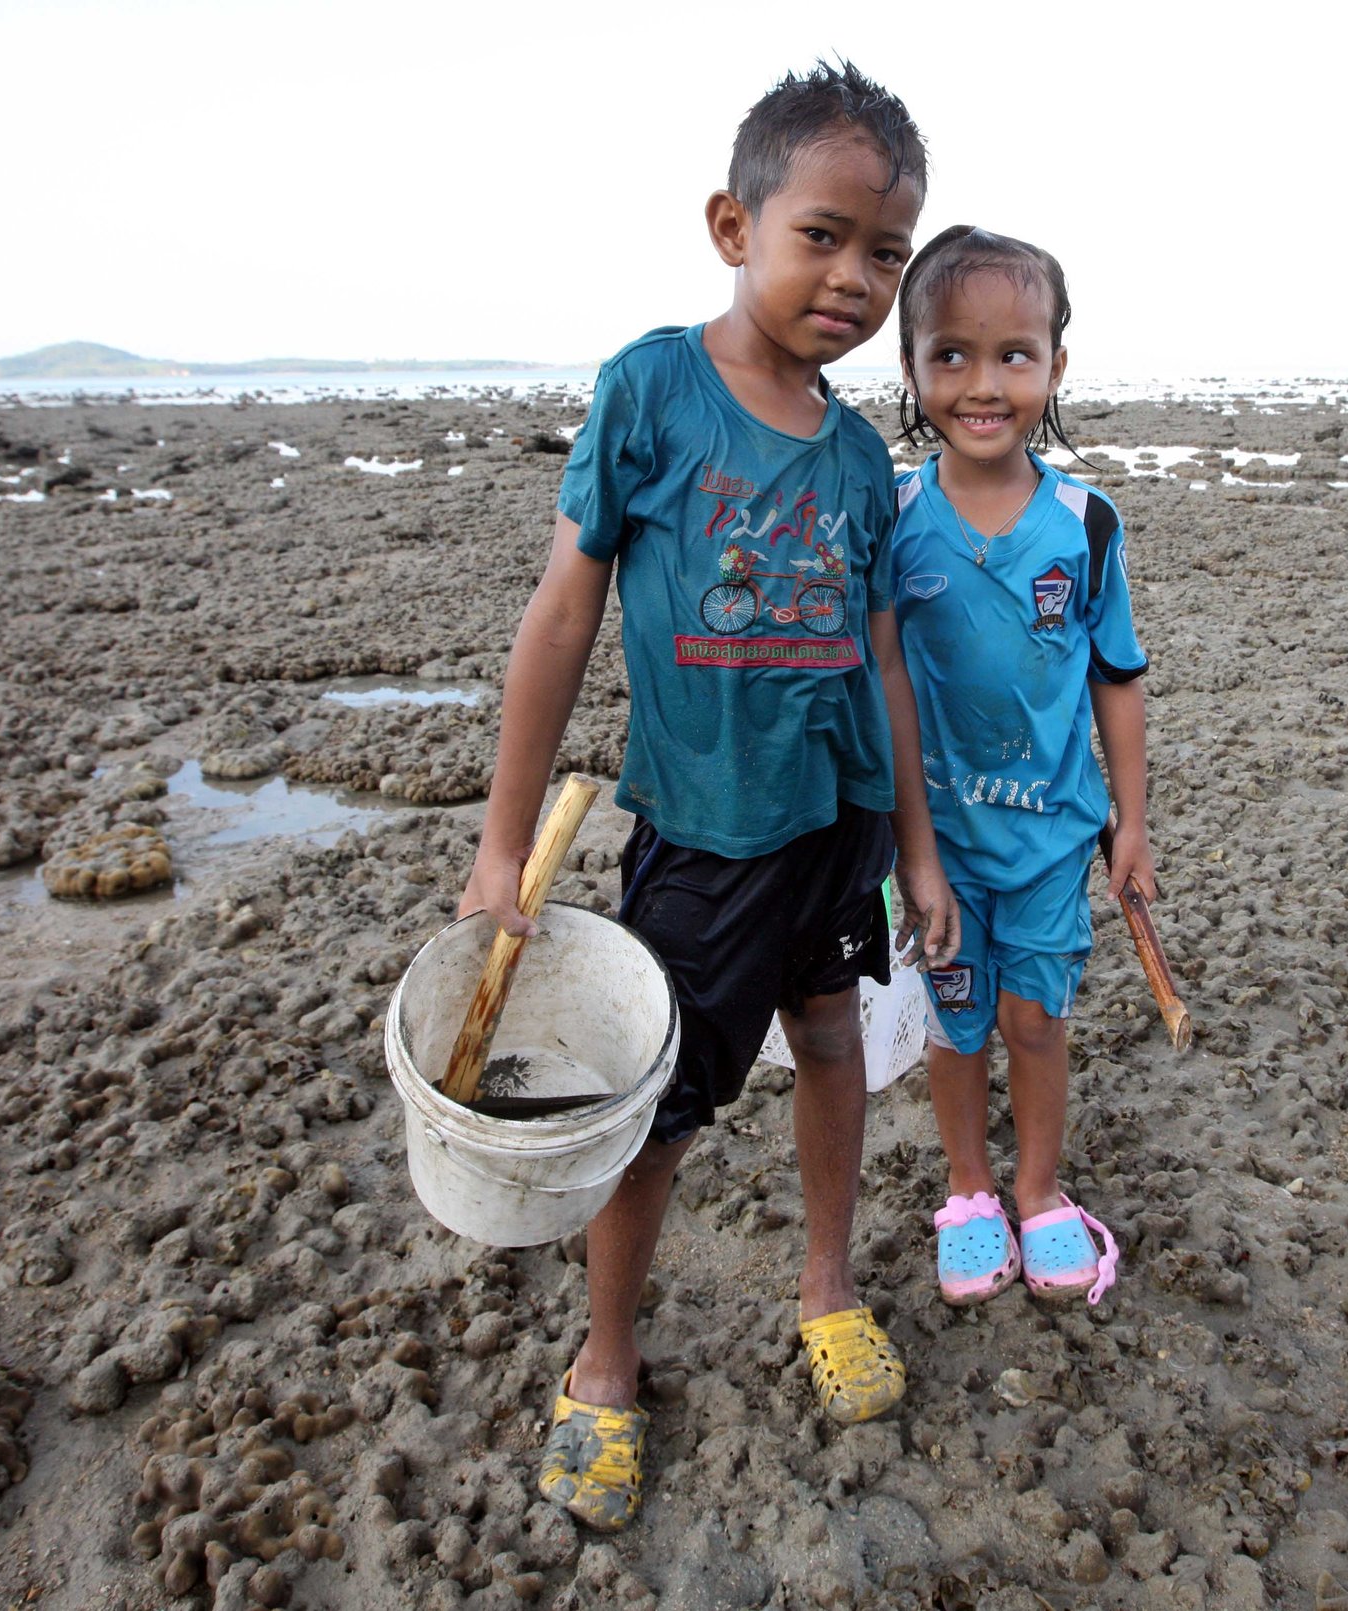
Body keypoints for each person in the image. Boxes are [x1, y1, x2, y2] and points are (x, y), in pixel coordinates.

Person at [455, 62, 958, 1533]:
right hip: (703, 833)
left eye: (886, 254)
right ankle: (605, 1360)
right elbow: (563, 614)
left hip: (839, 832)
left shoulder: (861, 455)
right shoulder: (653, 389)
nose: (855, 278)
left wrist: (917, 851)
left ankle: (826, 1287)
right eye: (824, 236)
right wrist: (502, 843)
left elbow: (884, 661)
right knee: (656, 1105)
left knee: (832, 1039)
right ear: (735, 226)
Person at [885, 226, 1151, 1309]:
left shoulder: (1085, 525)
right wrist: (903, 850)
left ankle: (1038, 1193)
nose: (982, 384)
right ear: (911, 366)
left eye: (1013, 355)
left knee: (1035, 1019)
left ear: (1055, 365)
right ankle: (969, 1191)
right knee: (956, 1023)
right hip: (934, 847)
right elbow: (877, 680)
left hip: (1050, 841)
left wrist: (1132, 824)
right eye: (950, 354)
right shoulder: (895, 518)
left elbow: (1117, 678)